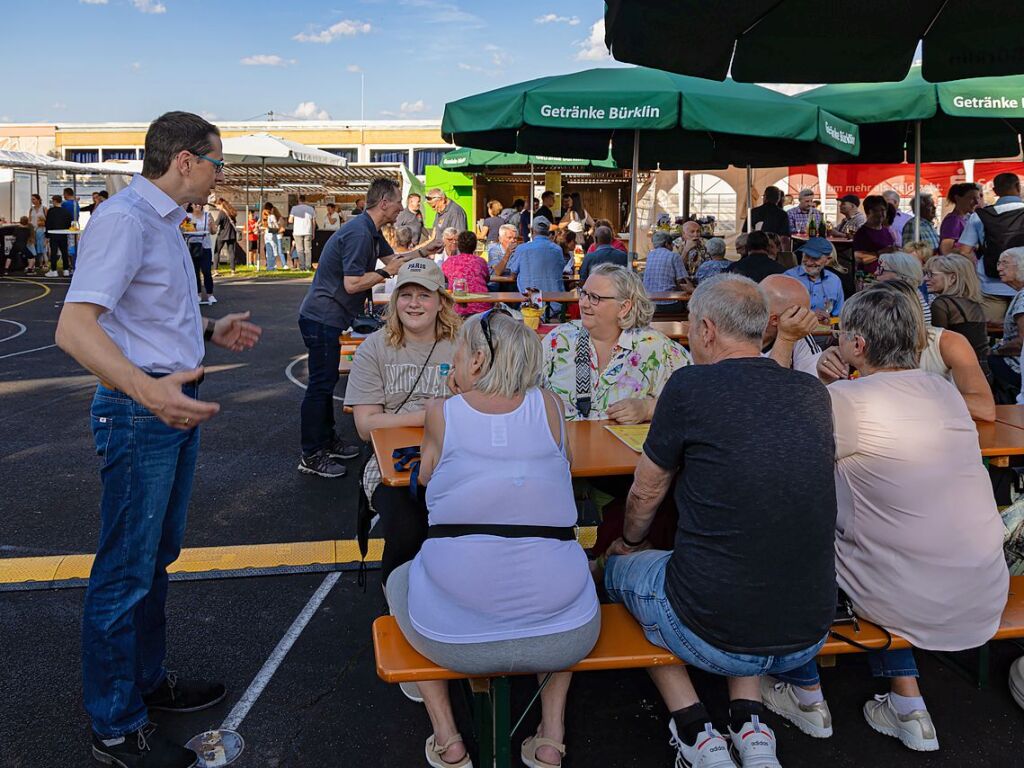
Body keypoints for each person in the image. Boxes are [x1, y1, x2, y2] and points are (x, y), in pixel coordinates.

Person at [55, 110, 262, 768]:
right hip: (141, 409)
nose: (219, 174)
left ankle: (143, 684)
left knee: (152, 560)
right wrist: (145, 392)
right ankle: (115, 726)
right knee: (124, 571)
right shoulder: (124, 219)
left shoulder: (166, 223)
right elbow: (75, 328)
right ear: (183, 160)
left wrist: (207, 330)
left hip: (162, 403)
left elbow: (141, 317)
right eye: (216, 162)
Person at [603, 273, 837, 768]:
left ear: (706, 330)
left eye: (689, 326)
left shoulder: (689, 385)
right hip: (810, 632)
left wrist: (627, 543)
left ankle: (693, 727)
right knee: (741, 557)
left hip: (708, 631)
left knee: (614, 570)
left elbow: (646, 490)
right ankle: (749, 722)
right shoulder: (811, 392)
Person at [765, 284, 1008, 754]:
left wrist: (790, 344)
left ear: (857, 345)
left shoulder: (848, 403)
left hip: (910, 596)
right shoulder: (942, 390)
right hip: (980, 588)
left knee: (789, 542)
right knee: (888, 543)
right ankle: (907, 704)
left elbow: (767, 414)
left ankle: (805, 690)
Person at [387, 310, 599, 768]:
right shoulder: (550, 406)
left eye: (458, 355)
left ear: (479, 361)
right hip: (566, 637)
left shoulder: (443, 412)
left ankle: (449, 738)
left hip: (454, 639)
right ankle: (551, 737)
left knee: (401, 577)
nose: (454, 364)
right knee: (563, 579)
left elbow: (424, 479)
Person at [297, 177, 439, 478]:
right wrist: (384, 272)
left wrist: (427, 251)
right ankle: (312, 453)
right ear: (384, 202)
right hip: (322, 317)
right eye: (398, 201)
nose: (401, 207)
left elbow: (395, 260)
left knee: (325, 381)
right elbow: (352, 283)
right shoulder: (360, 233)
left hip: (328, 317)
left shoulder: (370, 231)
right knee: (321, 385)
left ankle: (327, 441)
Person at [345, 257, 459, 587]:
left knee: (469, 523)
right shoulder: (374, 349)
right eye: (405, 295)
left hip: (454, 452)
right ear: (395, 301)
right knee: (407, 530)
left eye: (424, 295)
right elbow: (365, 427)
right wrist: (429, 416)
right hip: (391, 461)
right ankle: (397, 598)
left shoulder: (464, 344)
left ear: (441, 302)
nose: (413, 303)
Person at [817, 280, 995, 421]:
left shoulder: (948, 343)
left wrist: (908, 396)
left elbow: (985, 408)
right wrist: (826, 379)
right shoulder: (861, 344)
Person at [542, 263, 689, 422]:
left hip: (626, 447)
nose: (583, 303)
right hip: (563, 445)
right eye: (583, 293)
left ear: (624, 307)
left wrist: (648, 409)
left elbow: (696, 398)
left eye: (595, 298)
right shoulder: (559, 339)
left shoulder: (656, 347)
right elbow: (523, 392)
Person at [958, 172, 1024, 323]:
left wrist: (979, 268)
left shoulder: (980, 216)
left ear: (995, 191)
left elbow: (964, 251)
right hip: (1022, 284)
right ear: (1018, 187)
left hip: (990, 285)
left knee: (991, 332)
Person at [925, 253, 991, 380]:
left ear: (953, 278)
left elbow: (937, 346)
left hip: (958, 374)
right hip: (982, 371)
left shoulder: (942, 304)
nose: (925, 279)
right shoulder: (973, 303)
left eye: (931, 274)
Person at [501, 217, 566, 317]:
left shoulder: (522, 249)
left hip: (530, 305)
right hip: (555, 305)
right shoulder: (557, 250)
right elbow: (561, 269)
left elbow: (513, 274)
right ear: (548, 230)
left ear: (532, 231)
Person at [761, 274, 823, 376]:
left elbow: (813, 381)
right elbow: (772, 386)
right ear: (775, 320)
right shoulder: (734, 334)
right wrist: (786, 339)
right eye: (801, 313)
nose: (809, 317)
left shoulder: (799, 334)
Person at [991, 247, 1024, 402]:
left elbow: (1021, 343)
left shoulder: (1023, 297)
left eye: (1005, 263)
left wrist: (995, 352)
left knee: (980, 364)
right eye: (998, 263)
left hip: (1017, 366)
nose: (999, 268)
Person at [784, 236, 844, 320]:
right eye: (806, 256)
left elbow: (838, 318)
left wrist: (829, 321)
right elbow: (779, 313)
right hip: (795, 331)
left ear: (828, 260)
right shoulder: (788, 278)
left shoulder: (834, 281)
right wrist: (809, 315)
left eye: (815, 258)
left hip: (824, 332)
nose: (808, 262)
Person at [441, 231, 490, 315]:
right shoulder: (481, 261)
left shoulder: (449, 261)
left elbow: (443, 279)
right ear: (475, 246)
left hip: (457, 308)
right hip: (482, 308)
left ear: (458, 246)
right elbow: (487, 279)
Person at [876, 250, 930, 324]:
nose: (875, 273)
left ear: (900, 275)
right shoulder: (913, 294)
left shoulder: (901, 300)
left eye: (881, 269)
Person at [644, 231, 688, 314]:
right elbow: (682, 282)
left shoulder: (650, 255)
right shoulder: (674, 256)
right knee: (689, 305)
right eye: (672, 244)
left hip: (649, 303)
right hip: (669, 304)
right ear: (667, 243)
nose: (673, 246)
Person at [852, 195, 897, 272]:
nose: (882, 214)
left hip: (886, 274)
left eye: (884, 210)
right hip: (868, 277)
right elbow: (858, 258)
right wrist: (880, 253)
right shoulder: (862, 233)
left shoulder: (887, 231)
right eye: (878, 210)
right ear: (869, 212)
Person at [185, 202, 215, 305]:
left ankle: (210, 294)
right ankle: (198, 294)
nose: (198, 205)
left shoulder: (208, 215)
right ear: (191, 205)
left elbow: (214, 231)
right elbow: (184, 230)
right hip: (192, 247)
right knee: (195, 272)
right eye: (195, 204)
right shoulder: (187, 217)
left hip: (205, 247)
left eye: (199, 204)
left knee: (206, 271)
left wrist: (211, 225)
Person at [939, 182, 982, 255]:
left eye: (977, 198)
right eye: (971, 198)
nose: (976, 202)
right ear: (957, 198)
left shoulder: (966, 218)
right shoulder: (953, 220)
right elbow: (946, 250)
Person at [45, 193, 73, 277]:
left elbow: (48, 223)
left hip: (53, 234)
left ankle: (54, 270)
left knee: (54, 252)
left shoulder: (51, 211)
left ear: (54, 201)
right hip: (63, 234)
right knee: (64, 252)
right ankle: (66, 270)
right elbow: (69, 223)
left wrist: (47, 235)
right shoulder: (66, 212)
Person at [288, 194, 316, 271]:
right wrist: (313, 233)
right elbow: (313, 222)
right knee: (308, 250)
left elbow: (290, 220)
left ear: (299, 200)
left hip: (297, 232)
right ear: (305, 200)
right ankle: (308, 266)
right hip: (308, 231)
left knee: (299, 250)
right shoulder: (311, 209)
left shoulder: (294, 208)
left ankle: (302, 267)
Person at [213, 198, 238, 275]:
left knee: (217, 252)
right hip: (232, 234)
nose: (216, 207)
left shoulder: (221, 213)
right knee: (231, 252)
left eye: (217, 206)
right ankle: (233, 270)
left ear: (220, 204)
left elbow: (216, 224)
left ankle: (216, 270)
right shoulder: (231, 211)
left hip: (222, 235)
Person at [261, 202, 284, 271]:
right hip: (273, 235)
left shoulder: (264, 216)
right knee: (274, 251)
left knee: (268, 251)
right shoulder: (272, 216)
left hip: (266, 236)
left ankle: (269, 266)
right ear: (271, 209)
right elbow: (276, 227)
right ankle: (273, 266)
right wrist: (280, 228)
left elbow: (263, 226)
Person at [28, 193, 47, 268]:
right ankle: (36, 263)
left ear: (38, 199)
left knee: (41, 246)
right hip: (32, 230)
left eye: (33, 199)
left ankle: (44, 263)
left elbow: (47, 220)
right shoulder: (31, 209)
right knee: (33, 246)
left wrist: (42, 222)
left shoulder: (44, 208)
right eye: (31, 199)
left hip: (41, 229)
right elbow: (29, 220)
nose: (32, 201)